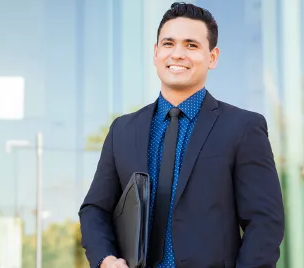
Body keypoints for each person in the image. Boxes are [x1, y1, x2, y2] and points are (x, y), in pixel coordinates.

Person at [78, 2, 285, 268]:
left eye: (191, 45)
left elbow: (265, 221)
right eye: (168, 44)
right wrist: (105, 259)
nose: (178, 54)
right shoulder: (123, 130)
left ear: (212, 57)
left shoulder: (244, 127)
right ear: (155, 53)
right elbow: (95, 209)